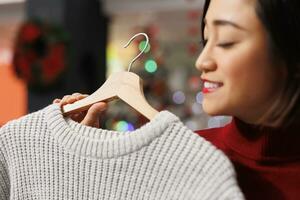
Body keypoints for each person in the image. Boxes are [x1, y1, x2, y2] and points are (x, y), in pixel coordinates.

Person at [55, 0, 300, 199]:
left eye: (226, 42)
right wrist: (84, 170)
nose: (202, 61)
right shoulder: (177, 158)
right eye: (206, 40)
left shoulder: (187, 157)